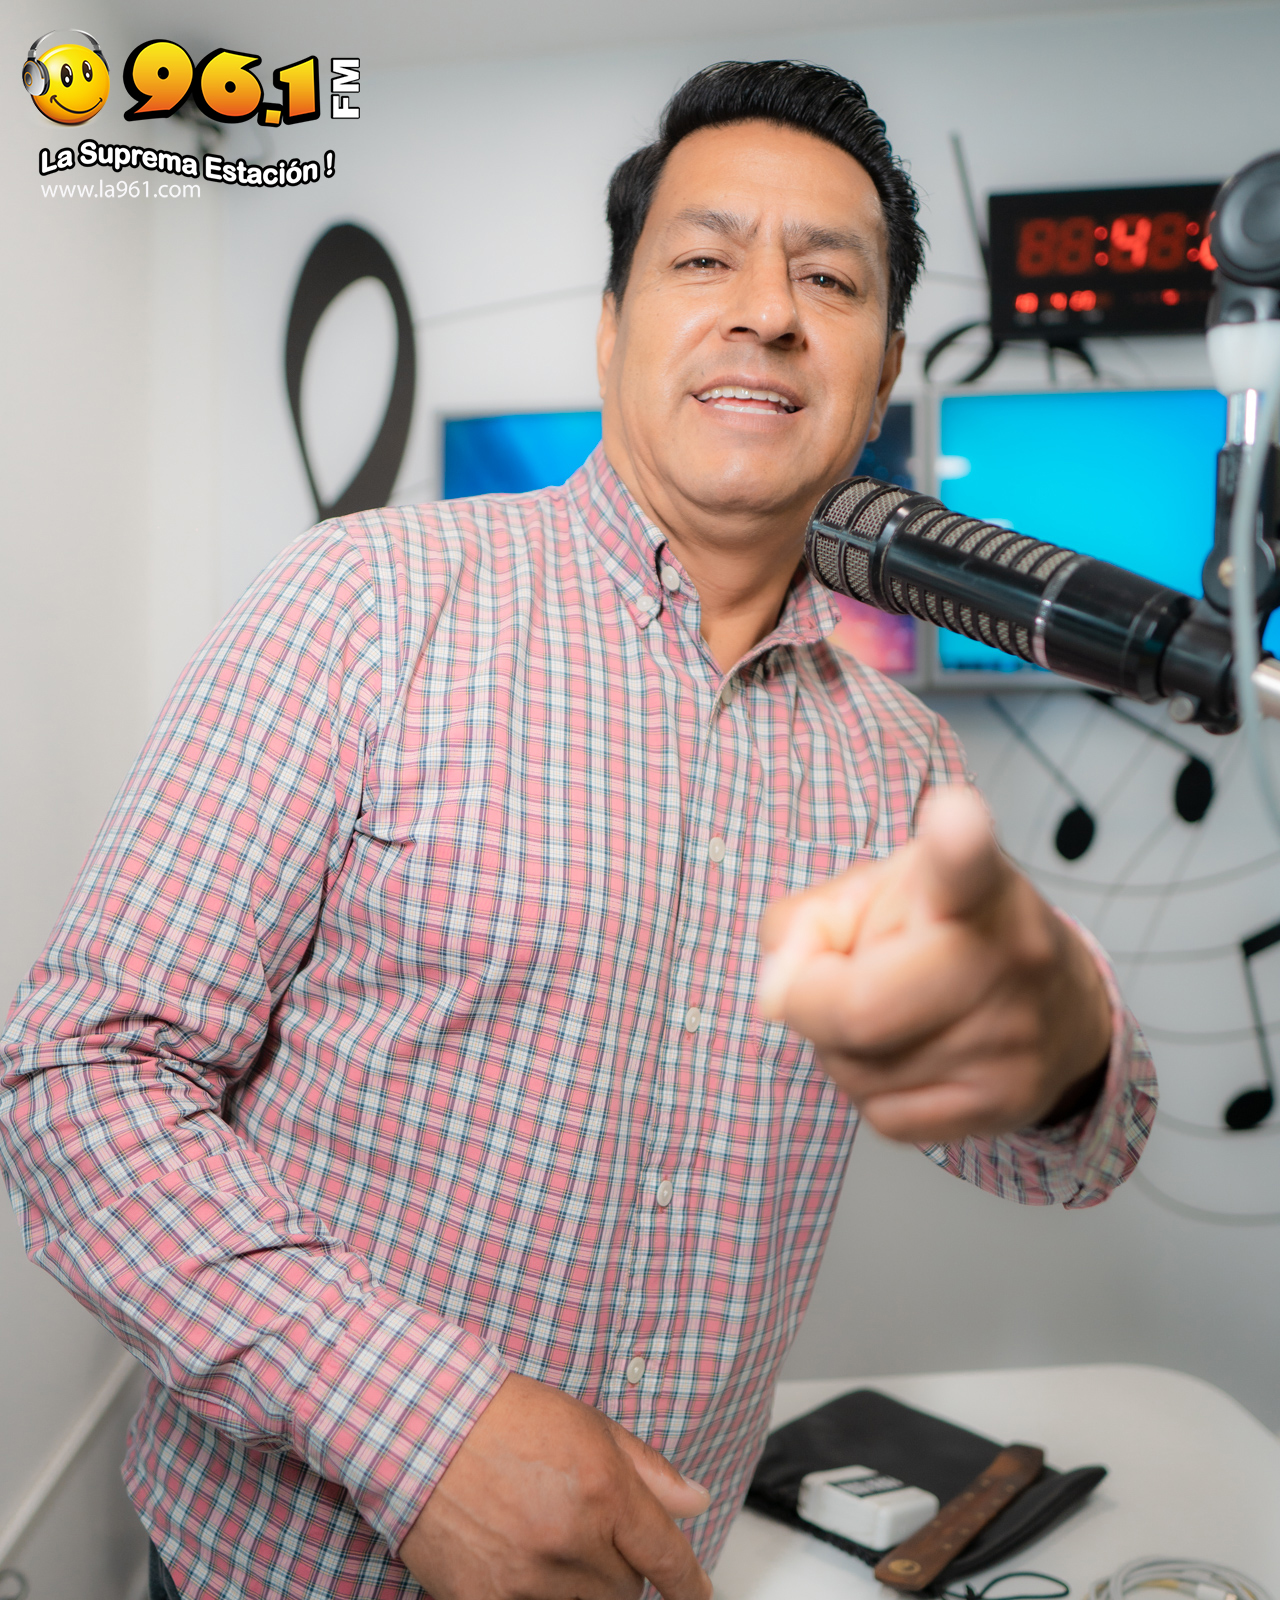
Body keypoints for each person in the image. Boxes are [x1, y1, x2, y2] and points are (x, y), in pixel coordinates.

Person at [0, 60, 1154, 1600]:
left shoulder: (903, 770)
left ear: (880, 375)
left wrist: (1067, 1047)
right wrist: (422, 1427)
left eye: (830, 279)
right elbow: (82, 1076)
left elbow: (1061, 1161)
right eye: (705, 258)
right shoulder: (365, 604)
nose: (768, 311)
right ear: (613, 328)